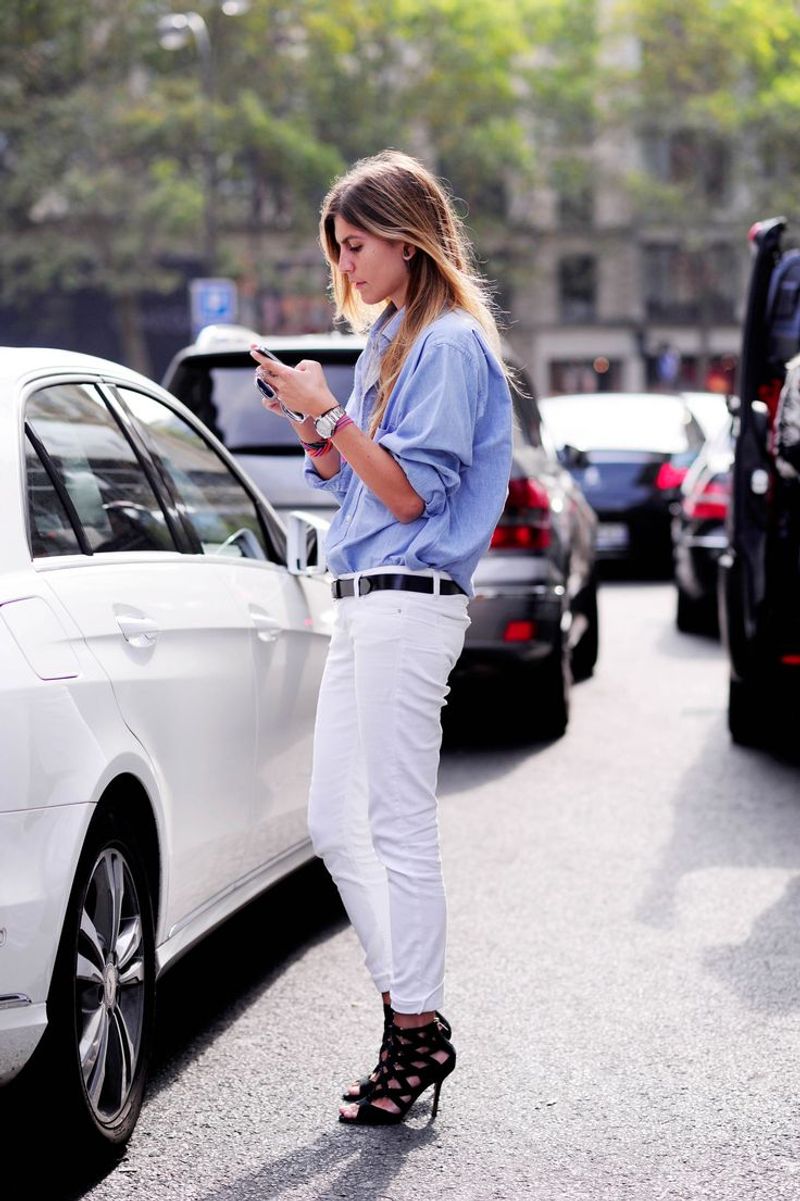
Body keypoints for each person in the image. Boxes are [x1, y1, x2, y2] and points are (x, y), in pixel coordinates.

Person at [250, 149, 513, 1126]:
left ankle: (413, 1028)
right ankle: (413, 1015)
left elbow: (405, 493)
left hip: (407, 597)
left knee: (397, 822)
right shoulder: (393, 340)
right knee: (331, 820)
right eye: (338, 248)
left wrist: (326, 410)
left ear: (406, 236)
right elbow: (357, 482)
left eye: (354, 244)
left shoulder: (446, 345)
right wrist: (315, 424)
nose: (345, 267)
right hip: (361, 594)